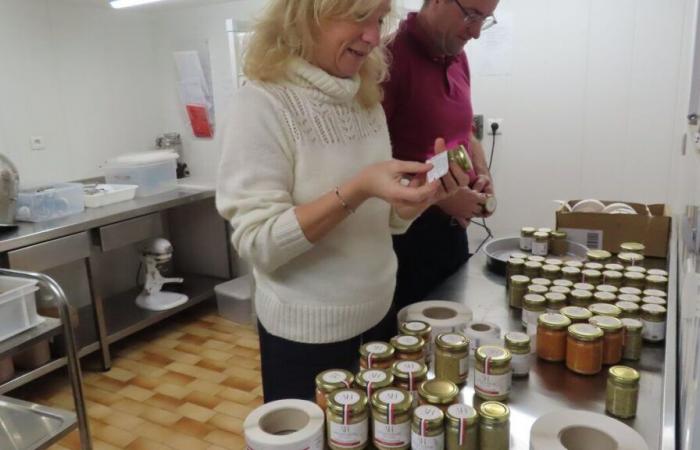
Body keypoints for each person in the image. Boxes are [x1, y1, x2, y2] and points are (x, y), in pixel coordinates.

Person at [216, 0, 460, 402]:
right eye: (359, 16)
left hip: (381, 318)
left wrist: (408, 206)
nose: (372, 35)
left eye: (379, 19)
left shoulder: (365, 101)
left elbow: (381, 223)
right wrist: (357, 189)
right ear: (306, 15)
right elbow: (259, 243)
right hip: (308, 342)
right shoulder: (260, 105)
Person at [383, 0, 500, 312]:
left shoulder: (458, 57)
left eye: (486, 19)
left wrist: (482, 174)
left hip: (452, 235)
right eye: (472, 15)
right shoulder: (386, 60)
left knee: (453, 342)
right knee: (411, 347)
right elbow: (370, 165)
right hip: (406, 239)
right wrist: (442, 198)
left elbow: (467, 131)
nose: (476, 32)